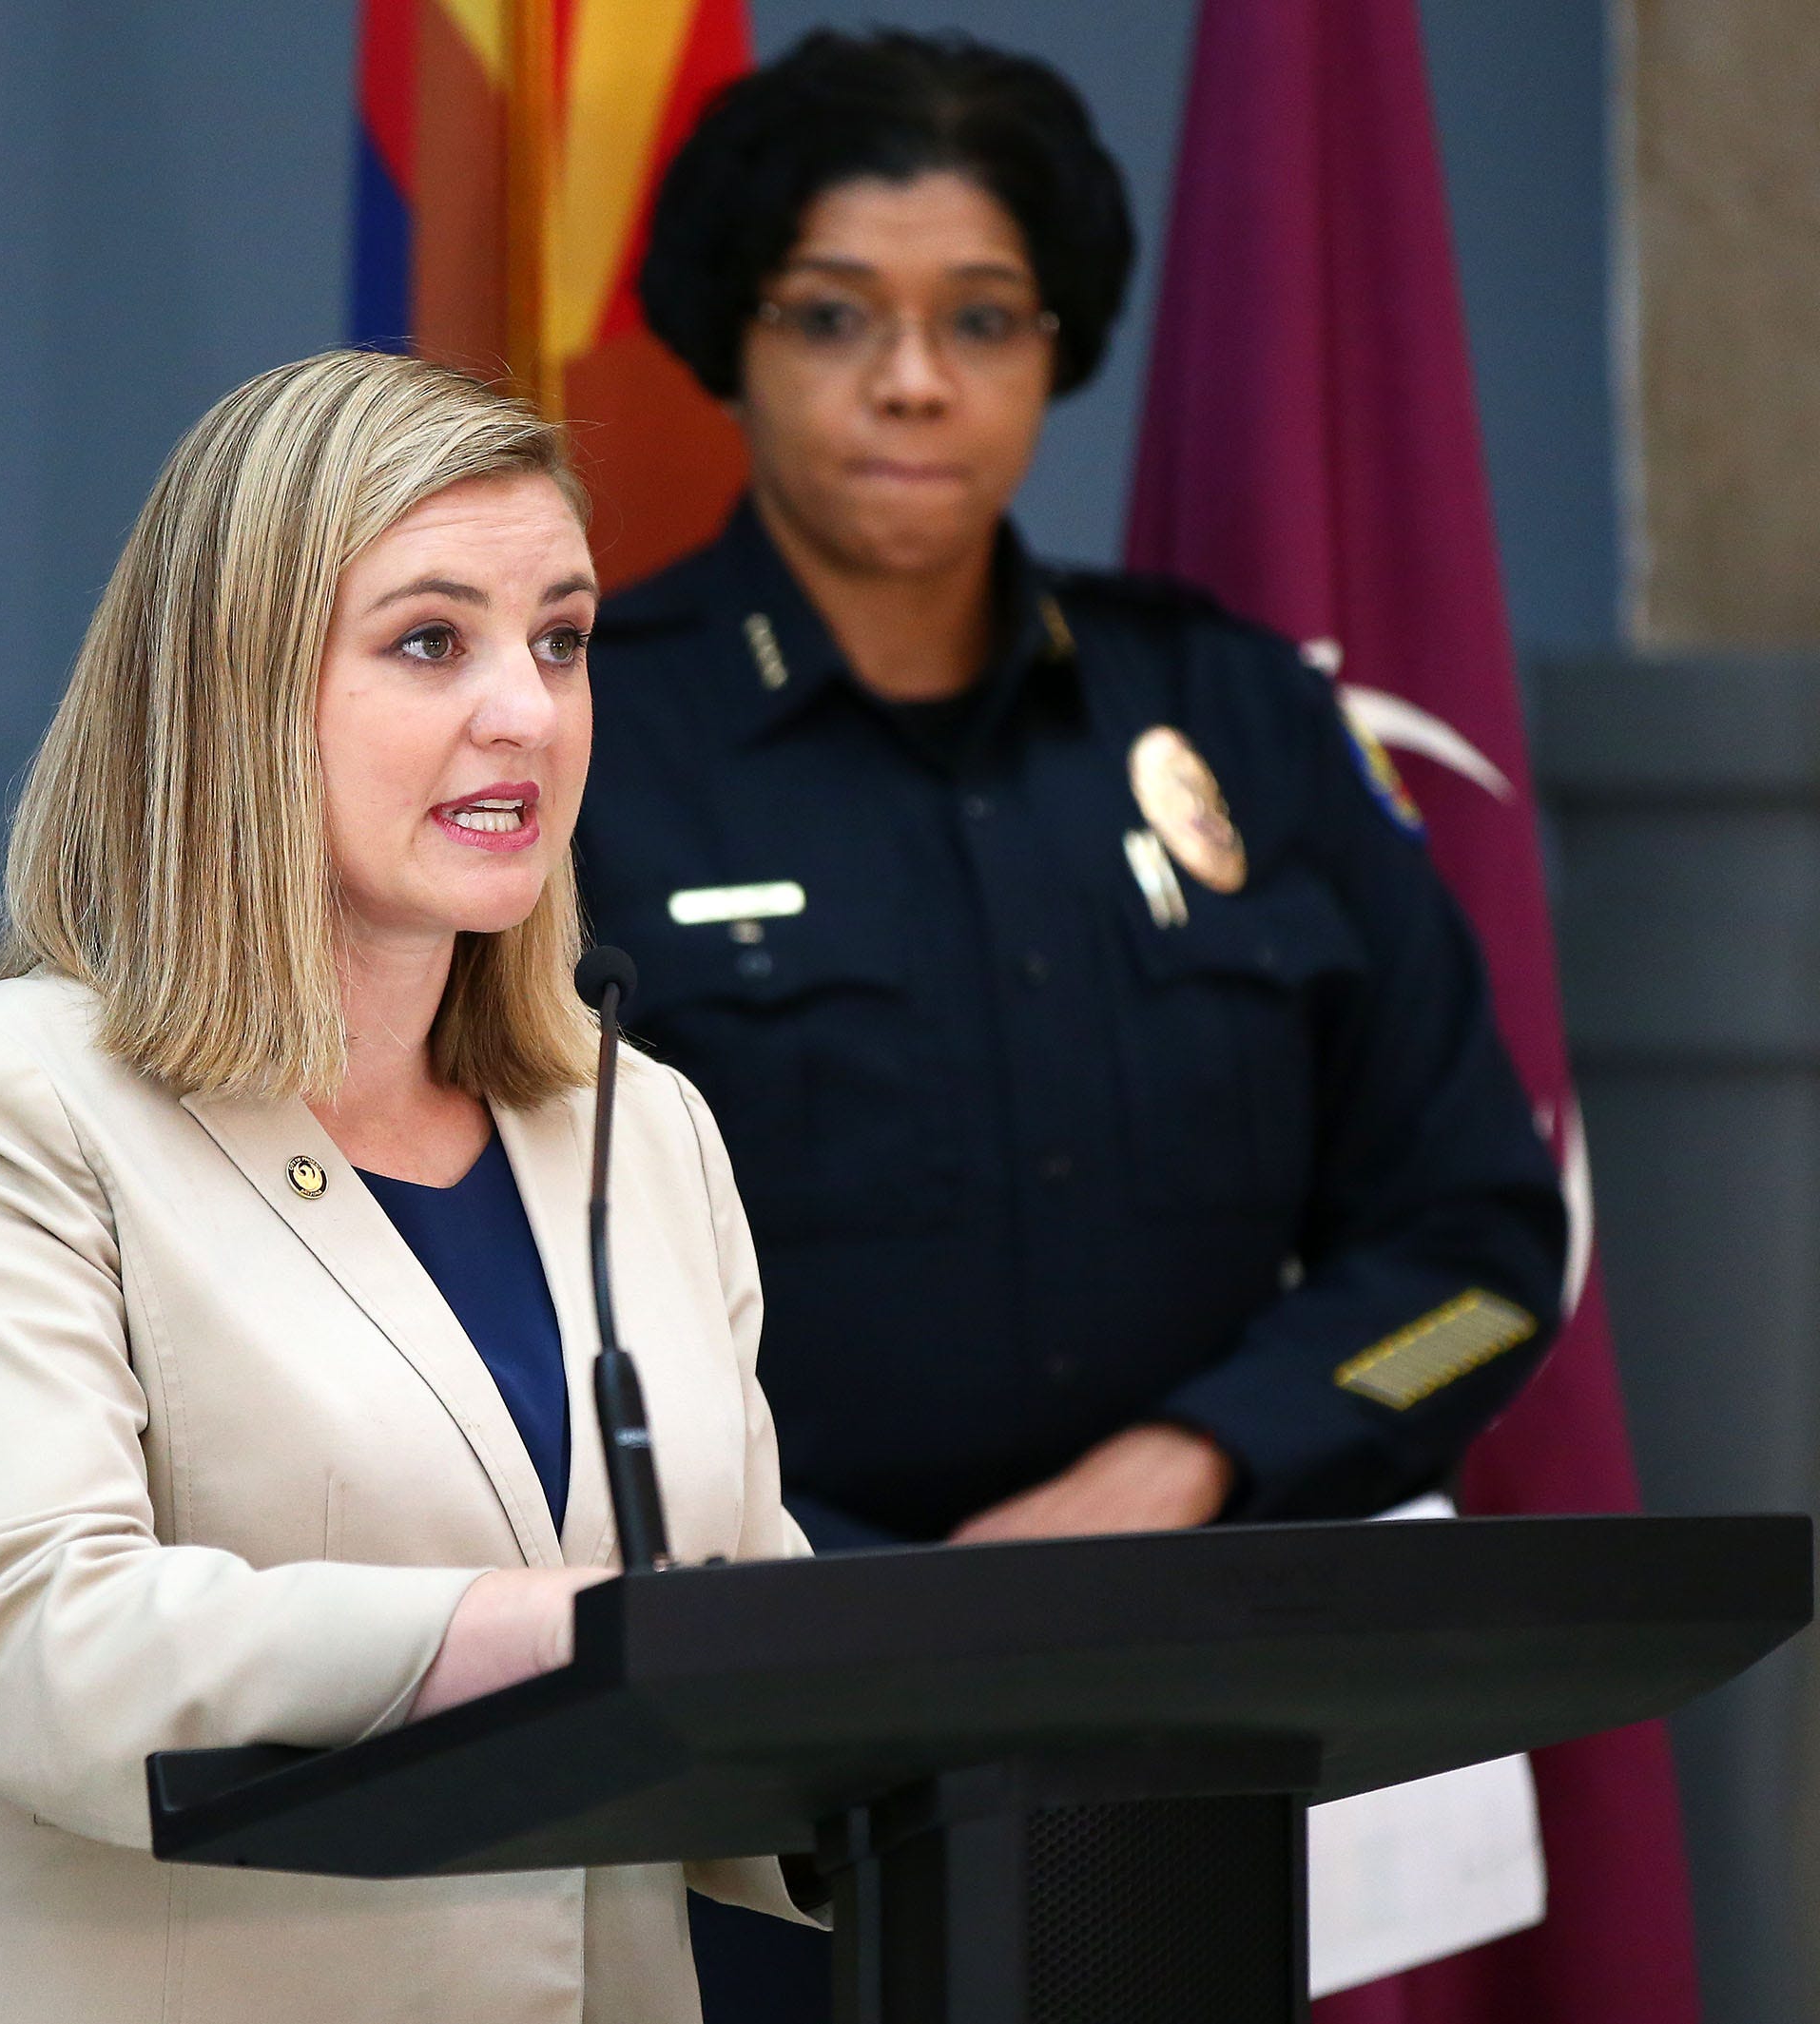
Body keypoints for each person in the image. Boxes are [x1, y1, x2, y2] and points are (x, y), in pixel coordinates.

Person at [572, 30, 1571, 2018]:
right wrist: (873, 1609)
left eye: (983, 318)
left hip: (1178, 1746)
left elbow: (1469, 1252)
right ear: (730, 334)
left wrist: (1192, 1463)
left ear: (1061, 343)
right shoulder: (588, 744)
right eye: (837, 316)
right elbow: (488, 1298)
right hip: (735, 1776)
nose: (916, 381)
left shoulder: (1242, 721)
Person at [0, 348, 810, 2024]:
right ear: (233, 694)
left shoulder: (644, 1126)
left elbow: (747, 1644)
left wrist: (966, 1777)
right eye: (432, 641)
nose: (527, 710)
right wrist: (541, 1632)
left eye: (561, 638)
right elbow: (36, 1647)